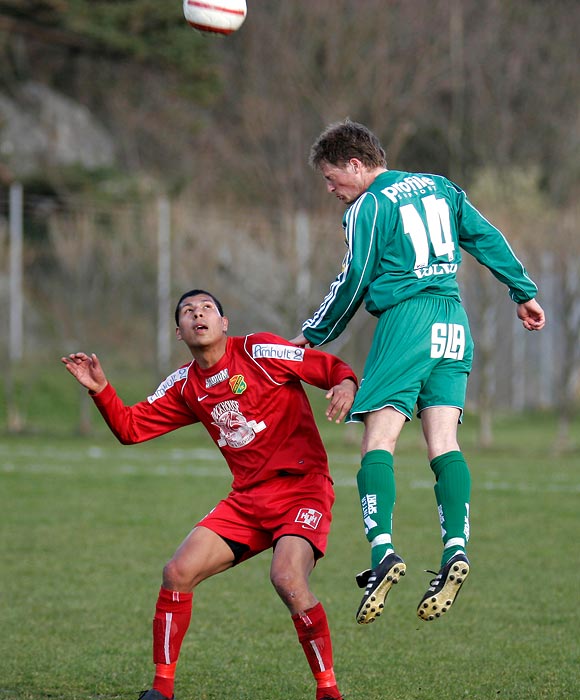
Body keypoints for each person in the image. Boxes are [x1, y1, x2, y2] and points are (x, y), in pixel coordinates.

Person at [291, 119, 545, 626]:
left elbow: (355, 277)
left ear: (356, 164)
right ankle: (455, 548)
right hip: (453, 319)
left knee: (378, 441)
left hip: (406, 321)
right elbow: (485, 236)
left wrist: (311, 336)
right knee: (444, 442)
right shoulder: (439, 186)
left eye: (331, 177)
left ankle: (382, 551)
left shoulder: (370, 204)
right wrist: (523, 291)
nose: (330, 189)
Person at [62, 289, 357, 700]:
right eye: (187, 311)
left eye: (206, 309)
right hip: (249, 499)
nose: (197, 315)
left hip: (302, 489)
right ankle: (160, 691)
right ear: (180, 332)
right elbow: (130, 428)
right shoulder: (185, 384)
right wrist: (101, 390)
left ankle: (328, 691)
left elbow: (324, 366)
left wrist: (344, 383)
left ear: (224, 323)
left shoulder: (260, 350)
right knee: (177, 572)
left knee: (287, 578)